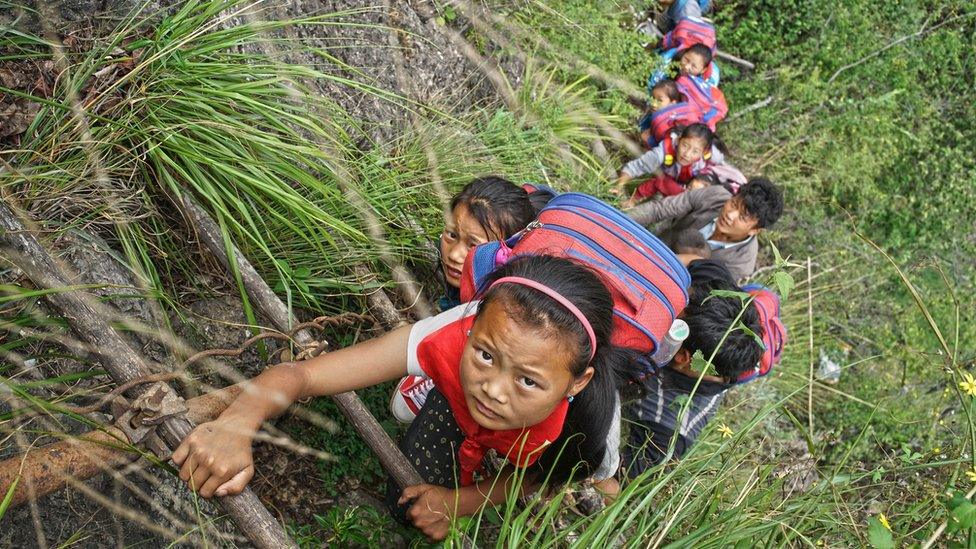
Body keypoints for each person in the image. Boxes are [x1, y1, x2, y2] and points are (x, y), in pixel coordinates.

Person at [172, 255, 638, 541]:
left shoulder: (589, 426)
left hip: (534, 448)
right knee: (409, 502)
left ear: (576, 384)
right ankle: (443, 405)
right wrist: (238, 421)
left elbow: (545, 477)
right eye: (485, 355)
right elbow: (302, 375)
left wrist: (463, 502)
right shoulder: (446, 336)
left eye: (529, 381)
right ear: (470, 327)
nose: (493, 389)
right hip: (457, 401)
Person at [396, 177, 554, 422]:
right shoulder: (483, 274)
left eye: (473, 246)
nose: (455, 254)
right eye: (451, 235)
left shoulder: (513, 306)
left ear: (506, 253)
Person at [624, 259, 762, 476]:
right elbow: (701, 263)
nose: (671, 309)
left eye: (673, 319)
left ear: (681, 356)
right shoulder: (714, 299)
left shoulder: (669, 429)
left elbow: (619, 486)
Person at [626, 178, 784, 281]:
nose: (730, 215)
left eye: (742, 217)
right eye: (734, 204)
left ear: (754, 230)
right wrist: (619, 221)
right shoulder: (714, 195)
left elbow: (700, 288)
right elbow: (658, 210)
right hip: (651, 246)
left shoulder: (741, 263)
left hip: (667, 281)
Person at [613, 123, 725, 201]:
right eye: (685, 145)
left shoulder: (713, 156)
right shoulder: (661, 153)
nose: (687, 154)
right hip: (667, 176)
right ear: (678, 140)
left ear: (704, 152)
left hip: (687, 181)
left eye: (695, 151)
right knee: (661, 181)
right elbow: (634, 168)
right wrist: (619, 186)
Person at [637, 79, 704, 149]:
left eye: (660, 100)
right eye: (653, 98)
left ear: (673, 102)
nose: (654, 104)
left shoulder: (669, 117)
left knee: (644, 136)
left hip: (674, 146)